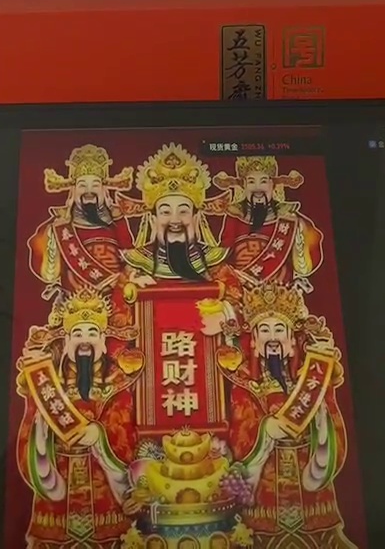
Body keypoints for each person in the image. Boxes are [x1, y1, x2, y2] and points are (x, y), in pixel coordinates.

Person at [217, 281, 357, 549]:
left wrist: (321, 423)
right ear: (254, 342)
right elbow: (238, 433)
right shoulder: (244, 383)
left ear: (292, 341)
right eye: (264, 330)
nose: (272, 338)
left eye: (279, 330)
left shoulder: (312, 380)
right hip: (264, 500)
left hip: (313, 497)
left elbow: (335, 424)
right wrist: (265, 431)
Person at [15, 289, 144, 547]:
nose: (85, 341)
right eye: (77, 334)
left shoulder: (118, 384)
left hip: (106, 502)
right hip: (57, 500)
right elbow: (28, 433)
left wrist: (99, 436)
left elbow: (128, 435)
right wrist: (43, 424)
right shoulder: (49, 384)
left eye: (92, 333)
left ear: (103, 341)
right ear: (67, 341)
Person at [28, 145, 134, 296]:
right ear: (74, 191)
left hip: (113, 300)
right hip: (73, 303)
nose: (89, 191)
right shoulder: (60, 227)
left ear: (103, 190)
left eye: (95, 185)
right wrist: (52, 242)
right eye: (82, 185)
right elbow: (48, 274)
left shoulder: (117, 222)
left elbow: (130, 261)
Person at [121, 143, 229, 283]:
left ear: (195, 218)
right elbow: (120, 293)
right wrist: (132, 287)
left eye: (183, 211)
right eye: (165, 212)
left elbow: (234, 292)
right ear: (153, 220)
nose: (175, 220)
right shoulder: (139, 262)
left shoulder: (213, 260)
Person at [213, 156, 324, 290]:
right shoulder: (234, 218)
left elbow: (304, 268)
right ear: (244, 186)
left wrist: (299, 240)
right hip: (243, 294)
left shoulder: (290, 220)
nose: (258, 188)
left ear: (273, 185)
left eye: (263, 181)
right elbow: (223, 258)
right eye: (251, 182)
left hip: (282, 295)